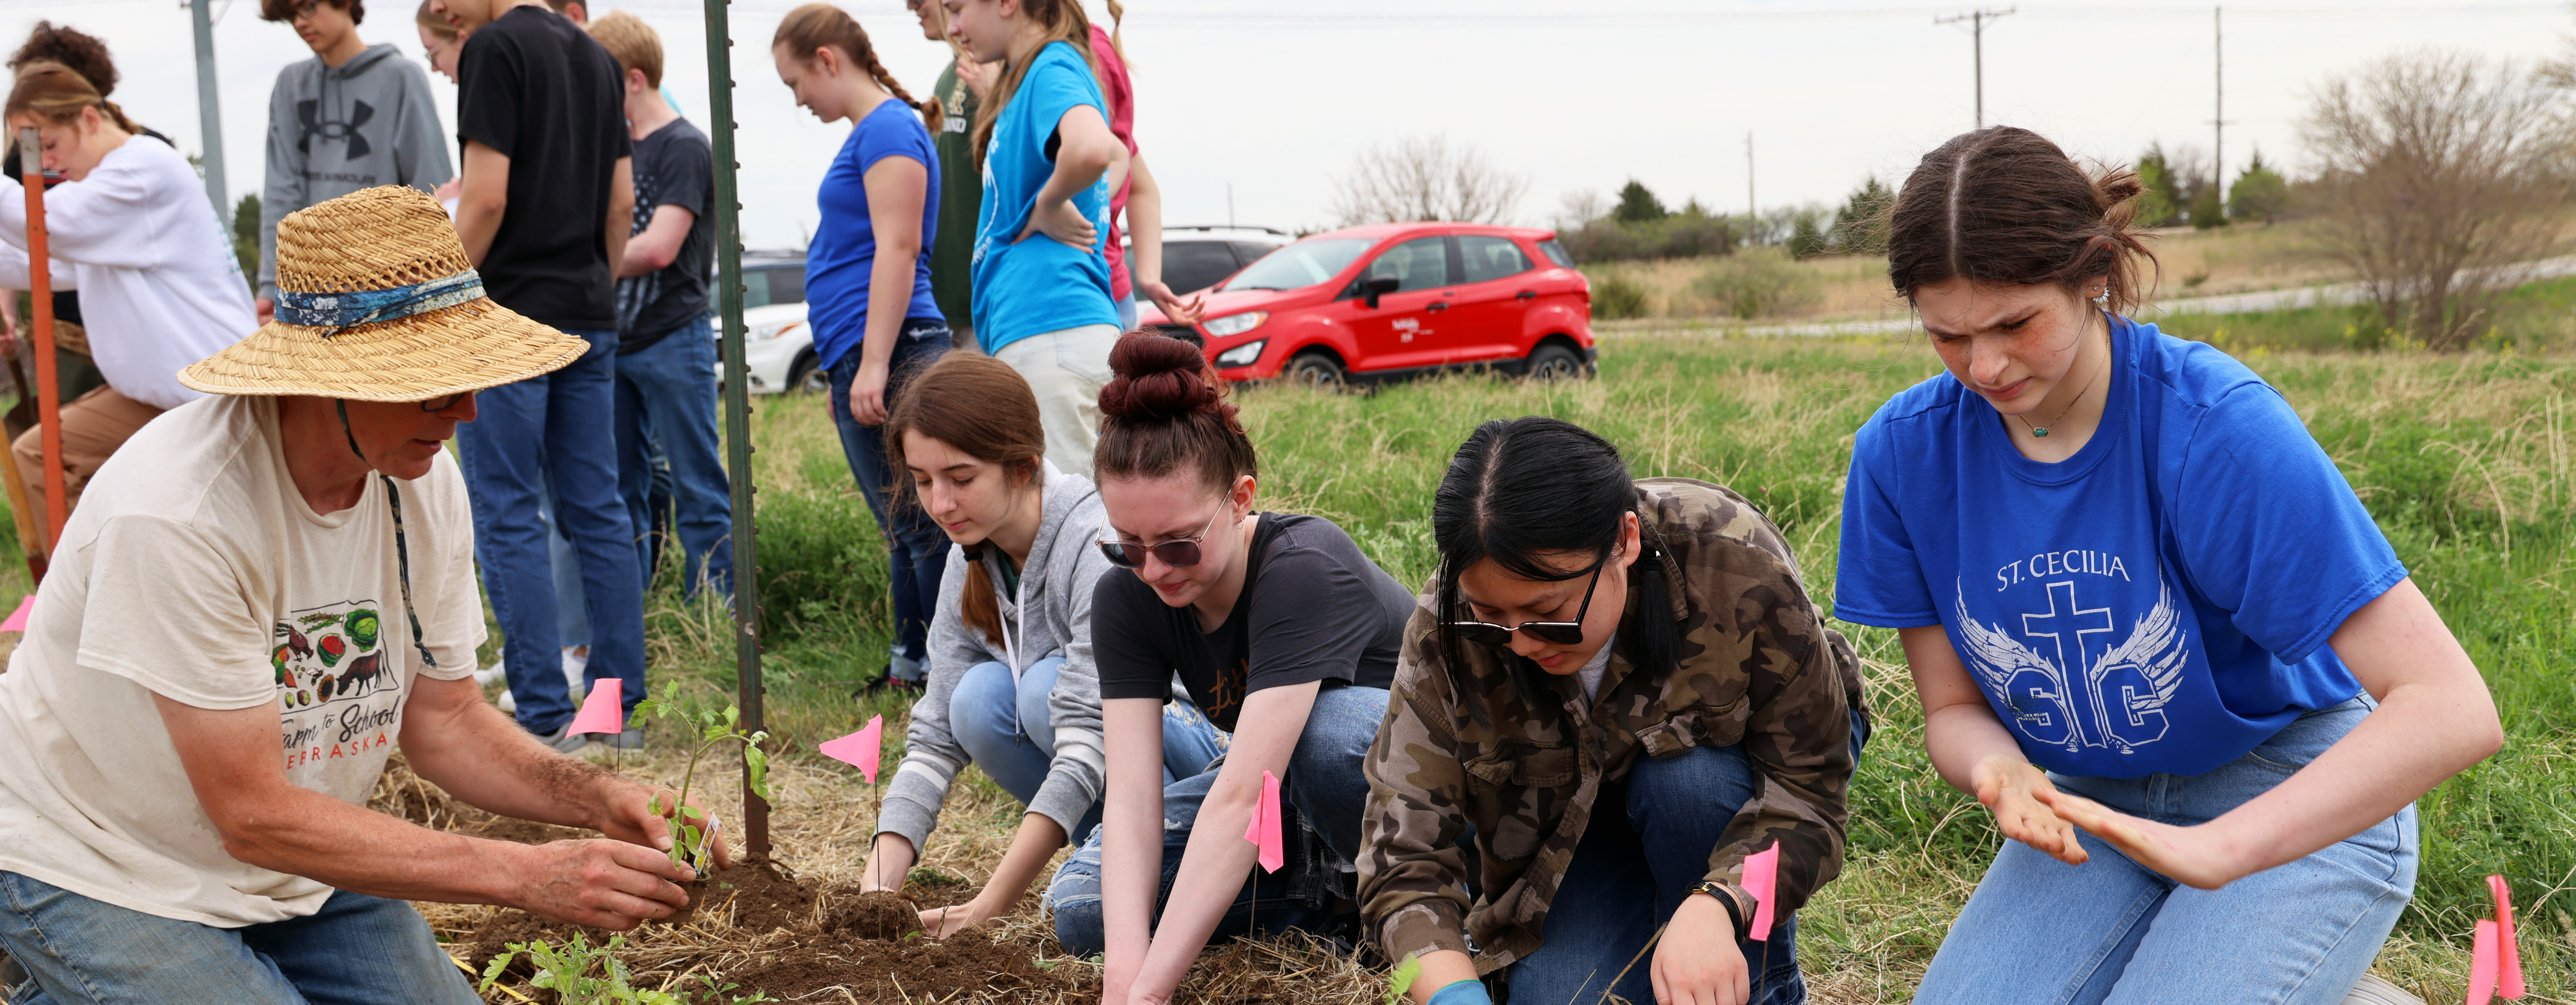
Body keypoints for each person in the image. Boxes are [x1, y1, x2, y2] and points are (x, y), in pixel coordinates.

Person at [0, 185, 722, 1004]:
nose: (468, 410)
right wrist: (524, 872)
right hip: (99, 857)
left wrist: (600, 797)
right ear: (326, 379)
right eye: (435, 385)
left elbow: (444, 720)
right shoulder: (180, 510)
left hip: (282, 864)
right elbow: (252, 811)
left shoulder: (419, 477)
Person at [1833, 126, 2502, 1005]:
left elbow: (2453, 708)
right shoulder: (1902, 454)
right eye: (1948, 335)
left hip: (2287, 786)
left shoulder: (2214, 428)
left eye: (2015, 324)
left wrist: (2222, 850)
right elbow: (1955, 707)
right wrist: (2000, 768)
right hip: (2097, 808)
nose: (1984, 366)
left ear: (2094, 274)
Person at [1361, 417, 1868, 1005]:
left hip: (1729, 790)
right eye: (1494, 620)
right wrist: (1450, 994)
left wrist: (1722, 905)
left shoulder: (1733, 561)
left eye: (1547, 611)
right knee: (1562, 997)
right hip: (1574, 820)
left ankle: (1758, 985)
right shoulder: (1448, 627)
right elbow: (1400, 854)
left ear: (1625, 541)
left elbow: (1808, 796)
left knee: (1686, 783)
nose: (1522, 643)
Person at [1047, 334, 1413, 1005]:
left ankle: (1417, 903)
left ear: (1241, 498)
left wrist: (1153, 994)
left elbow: (1246, 793)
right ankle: (1331, 905)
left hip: (1405, 789)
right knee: (1081, 909)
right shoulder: (1126, 596)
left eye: (1179, 544)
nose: (1154, 570)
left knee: (1324, 734)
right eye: (1128, 545)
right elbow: (1131, 796)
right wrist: (1123, 981)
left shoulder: (1304, 566)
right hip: (1283, 800)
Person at [864, 351, 1211, 935]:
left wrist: (984, 911)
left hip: (1199, 751)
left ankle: (1190, 854)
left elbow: (1086, 738)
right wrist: (874, 894)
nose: (940, 503)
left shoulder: (1095, 544)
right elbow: (933, 738)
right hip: (1114, 777)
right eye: (923, 481)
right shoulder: (967, 556)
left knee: (1041, 692)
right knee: (973, 701)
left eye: (961, 478)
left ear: (1023, 467)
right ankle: (1122, 860)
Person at [431, 0, 643, 749]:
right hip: (588, 310)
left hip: (508, 317)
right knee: (600, 510)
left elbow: (485, 195)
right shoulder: (595, 58)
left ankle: (547, 715)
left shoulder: (493, 49)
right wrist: (596, 285)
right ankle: (616, 713)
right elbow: (621, 202)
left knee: (511, 513)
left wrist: (439, 295)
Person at [773, 3, 951, 690]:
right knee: (907, 525)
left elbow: (899, 247)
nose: (799, 100)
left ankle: (948, 675)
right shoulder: (874, 130)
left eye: (797, 83)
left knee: (926, 526)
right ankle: (914, 667)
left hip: (898, 346)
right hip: (866, 349)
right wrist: (848, 367)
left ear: (828, 59)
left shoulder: (889, 129)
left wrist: (875, 361)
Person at [0, 62, 252, 536]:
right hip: (160, 396)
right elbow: (42, 262)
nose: (45, 164)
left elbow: (49, 226)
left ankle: (104, 595)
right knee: (41, 456)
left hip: (213, 399)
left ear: (90, 120)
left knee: (54, 460)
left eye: (47, 145)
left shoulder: (142, 168)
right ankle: (92, 597)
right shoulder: (114, 182)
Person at [947, 0, 1128, 476]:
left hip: (1050, 331)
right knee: (1071, 522)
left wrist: (1047, 204)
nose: (953, 27)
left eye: (956, 8)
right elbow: (1116, 153)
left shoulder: (1053, 64)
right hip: (1049, 333)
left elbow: (1092, 149)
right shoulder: (1036, 76)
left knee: (1069, 527)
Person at [589, 11, 732, 601]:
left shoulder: (685, 146)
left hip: (675, 336)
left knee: (698, 482)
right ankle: (636, 609)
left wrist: (576, 262)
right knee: (621, 487)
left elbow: (659, 247)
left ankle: (718, 610)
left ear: (634, 79)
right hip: (614, 339)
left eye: (597, 80)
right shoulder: (613, 147)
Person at [0, 22, 176, 409]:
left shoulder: (143, 154)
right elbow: (20, 241)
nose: (47, 160)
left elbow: (51, 225)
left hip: (142, 333)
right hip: (67, 332)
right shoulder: (25, 156)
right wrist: (6, 312)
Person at [256, 0, 453, 324]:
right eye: (290, 14)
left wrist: (435, 283)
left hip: (391, 288)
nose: (300, 22)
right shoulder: (290, 84)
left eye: (307, 7)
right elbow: (280, 191)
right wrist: (270, 285)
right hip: (313, 289)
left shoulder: (400, 77)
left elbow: (430, 186)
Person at [1081, 6, 1201, 333]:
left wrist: (1050, 206)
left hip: (1085, 291)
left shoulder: (1081, 52)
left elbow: (1117, 159)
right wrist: (1148, 277)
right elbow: (1141, 184)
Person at [905, 0, 983, 351]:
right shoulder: (950, 73)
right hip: (949, 308)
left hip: (984, 308)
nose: (910, 5)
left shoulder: (997, 69)